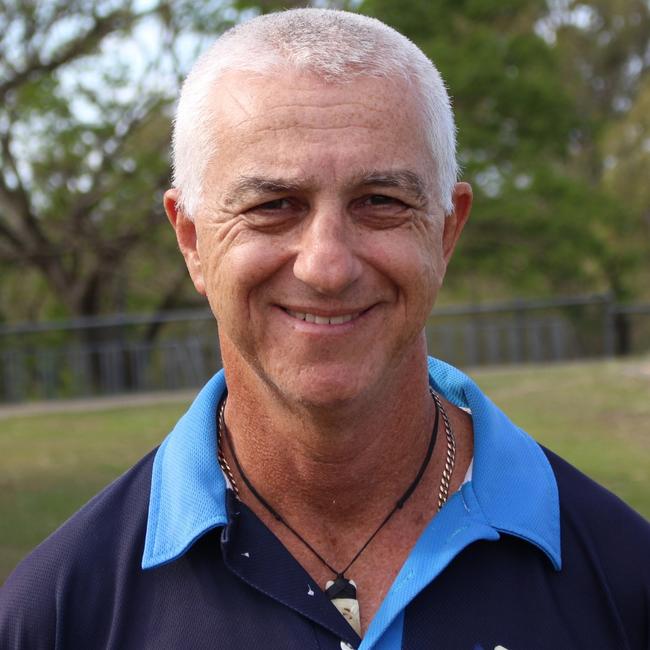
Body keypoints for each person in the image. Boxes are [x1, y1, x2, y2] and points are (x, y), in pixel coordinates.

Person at [1, 8, 648, 650]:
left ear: (447, 231)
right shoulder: (57, 617)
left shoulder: (627, 582)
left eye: (381, 202)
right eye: (273, 206)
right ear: (192, 241)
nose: (328, 266)